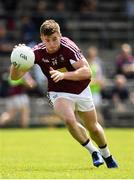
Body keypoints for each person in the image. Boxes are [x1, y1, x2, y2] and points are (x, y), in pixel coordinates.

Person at [10, 19, 118, 168]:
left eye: (55, 39)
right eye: (47, 40)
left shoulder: (68, 47)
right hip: (58, 91)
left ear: (60, 35)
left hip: (81, 89)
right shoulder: (36, 52)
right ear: (42, 38)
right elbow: (15, 77)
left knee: (93, 127)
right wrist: (16, 61)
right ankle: (93, 152)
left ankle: (107, 155)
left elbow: (87, 72)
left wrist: (64, 75)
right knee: (69, 120)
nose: (52, 44)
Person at [86, 46, 105, 126]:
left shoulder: (97, 65)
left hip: (95, 92)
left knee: (97, 112)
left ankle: (102, 128)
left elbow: (100, 80)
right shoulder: (85, 64)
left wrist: (92, 82)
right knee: (85, 113)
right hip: (86, 92)